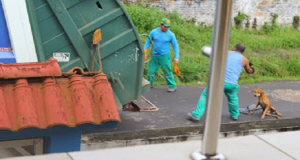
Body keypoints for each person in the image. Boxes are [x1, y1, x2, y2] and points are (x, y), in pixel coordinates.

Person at [187, 43, 254, 121]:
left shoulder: (227, 52)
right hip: (232, 85)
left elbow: (214, 53)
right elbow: (250, 71)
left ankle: (196, 115)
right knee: (233, 98)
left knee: (205, 95)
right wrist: (250, 67)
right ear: (242, 51)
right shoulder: (244, 60)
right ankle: (235, 115)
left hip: (219, 82)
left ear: (235, 48)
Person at [143, 18, 180, 92]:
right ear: (161, 24)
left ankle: (172, 86)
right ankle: (150, 85)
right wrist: (145, 50)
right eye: (165, 26)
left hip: (164, 56)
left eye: (168, 26)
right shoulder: (153, 32)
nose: (167, 28)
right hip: (155, 55)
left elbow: (175, 46)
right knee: (150, 71)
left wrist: (177, 57)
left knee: (167, 71)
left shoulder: (171, 35)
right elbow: (148, 42)